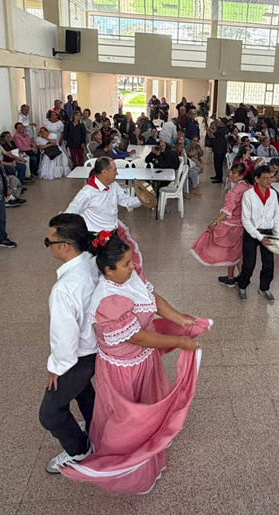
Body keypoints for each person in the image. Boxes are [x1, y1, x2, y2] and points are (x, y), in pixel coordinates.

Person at [61, 234, 210, 494]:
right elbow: (137, 337)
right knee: (128, 417)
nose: (133, 268)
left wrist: (180, 319)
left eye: (131, 262)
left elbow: (153, 299)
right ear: (108, 270)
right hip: (122, 369)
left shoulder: (130, 279)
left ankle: (152, 436)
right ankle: (131, 464)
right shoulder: (108, 301)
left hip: (143, 360)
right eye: (127, 264)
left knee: (148, 403)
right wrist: (178, 340)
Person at [40, 214, 99, 473]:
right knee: (83, 390)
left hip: (80, 355)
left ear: (64, 245)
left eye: (49, 241)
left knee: (50, 413)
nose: (48, 245)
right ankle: (97, 426)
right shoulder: (93, 262)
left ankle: (79, 450)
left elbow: (64, 337)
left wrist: (57, 367)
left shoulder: (64, 288)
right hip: (98, 346)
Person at [65, 157, 145, 279]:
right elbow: (70, 214)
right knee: (95, 272)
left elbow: (127, 201)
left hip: (112, 235)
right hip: (95, 239)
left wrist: (142, 199)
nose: (117, 173)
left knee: (112, 269)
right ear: (104, 172)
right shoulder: (87, 193)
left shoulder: (113, 186)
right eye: (115, 170)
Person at [191, 163, 250, 285]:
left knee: (231, 252)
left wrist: (216, 222)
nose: (230, 174)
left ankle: (233, 279)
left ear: (240, 176)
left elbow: (228, 209)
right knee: (238, 253)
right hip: (243, 225)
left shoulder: (234, 191)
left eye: (234, 173)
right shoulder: (247, 186)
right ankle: (240, 278)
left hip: (232, 226)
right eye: (231, 171)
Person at [236, 166, 279, 303]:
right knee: (249, 264)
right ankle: (242, 285)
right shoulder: (248, 195)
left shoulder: (273, 194)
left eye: (270, 178)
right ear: (257, 179)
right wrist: (259, 237)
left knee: (269, 264)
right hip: (252, 232)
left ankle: (264, 287)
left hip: (268, 232)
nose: (269, 181)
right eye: (266, 178)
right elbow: (246, 220)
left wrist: (277, 235)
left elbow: (276, 216)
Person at [209, 119, 229, 184]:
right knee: (218, 164)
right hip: (222, 149)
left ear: (222, 123)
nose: (218, 122)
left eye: (220, 121)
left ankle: (219, 178)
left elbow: (212, 135)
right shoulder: (225, 129)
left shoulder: (220, 130)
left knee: (218, 164)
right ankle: (217, 175)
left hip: (219, 149)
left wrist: (208, 130)